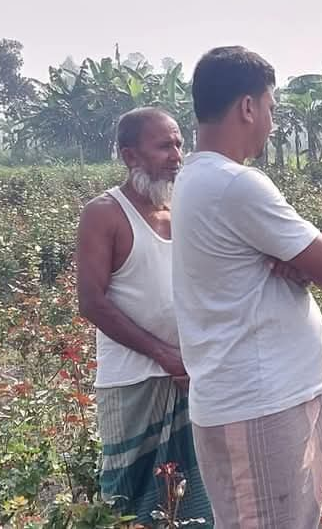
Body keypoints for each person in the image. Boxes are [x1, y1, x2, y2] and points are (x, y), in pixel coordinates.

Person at [170, 46, 322, 529]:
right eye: (270, 108)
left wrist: (296, 255)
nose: (271, 122)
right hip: (260, 404)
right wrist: (309, 256)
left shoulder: (198, 179)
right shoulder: (235, 184)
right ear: (247, 107)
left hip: (271, 395)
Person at [76, 107, 212, 526]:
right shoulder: (105, 213)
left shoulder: (183, 212)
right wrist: (163, 355)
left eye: (178, 144)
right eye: (163, 146)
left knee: (193, 500)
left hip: (190, 375)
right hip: (133, 381)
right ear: (129, 155)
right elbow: (92, 302)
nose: (176, 155)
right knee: (128, 500)